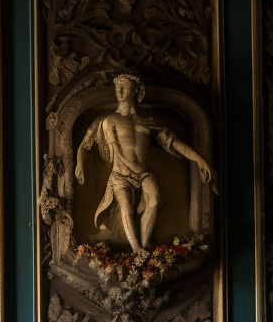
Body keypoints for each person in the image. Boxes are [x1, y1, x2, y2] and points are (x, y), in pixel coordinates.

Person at [74, 74, 216, 255]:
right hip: (120, 174)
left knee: (155, 199)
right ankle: (136, 249)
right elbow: (85, 145)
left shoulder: (148, 119)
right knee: (127, 208)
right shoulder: (108, 120)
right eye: (118, 87)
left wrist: (199, 160)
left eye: (124, 87)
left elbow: (174, 142)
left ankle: (145, 245)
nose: (120, 91)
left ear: (136, 90)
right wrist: (79, 164)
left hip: (143, 173)